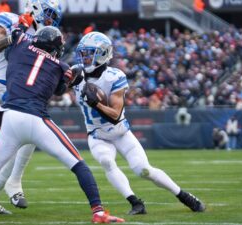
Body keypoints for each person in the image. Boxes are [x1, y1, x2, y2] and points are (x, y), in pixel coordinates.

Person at [0, 26, 124, 224]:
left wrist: (12, 36)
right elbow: (59, 91)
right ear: (55, 46)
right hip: (37, 119)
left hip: (10, 117)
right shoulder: (61, 66)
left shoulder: (20, 43)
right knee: (79, 165)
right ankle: (97, 212)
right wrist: (72, 79)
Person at [72, 32, 205, 215]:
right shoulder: (75, 72)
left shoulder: (114, 76)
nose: (84, 58)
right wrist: (66, 80)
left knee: (143, 170)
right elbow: (56, 87)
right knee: (106, 161)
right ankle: (135, 202)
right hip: (97, 134)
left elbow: (116, 115)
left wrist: (96, 103)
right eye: (83, 53)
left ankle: (183, 195)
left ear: (102, 54)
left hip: (120, 132)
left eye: (89, 53)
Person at [0, 0, 62, 214]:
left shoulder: (46, 34)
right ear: (36, 9)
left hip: (22, 91)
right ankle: (7, 186)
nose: (52, 21)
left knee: (23, 139)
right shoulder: (11, 20)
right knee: (28, 129)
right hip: (3, 88)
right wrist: (14, 35)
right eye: (49, 14)